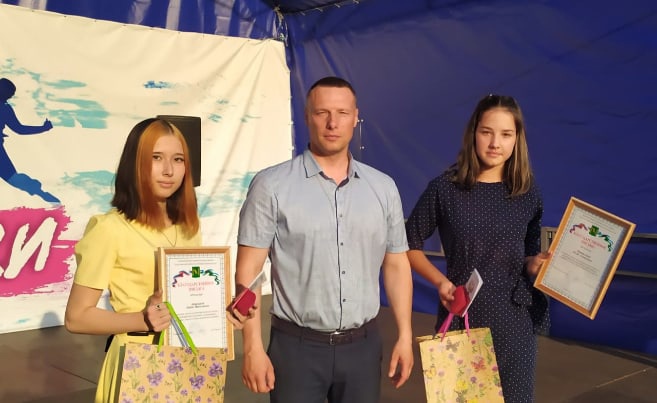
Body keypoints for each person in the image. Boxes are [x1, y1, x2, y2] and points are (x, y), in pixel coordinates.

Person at [229, 76, 414, 403]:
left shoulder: (383, 188)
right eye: (322, 112)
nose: (332, 123)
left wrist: (405, 335)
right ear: (307, 116)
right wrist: (253, 348)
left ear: (355, 117)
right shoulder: (271, 186)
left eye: (342, 113)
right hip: (296, 350)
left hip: (363, 348)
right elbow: (249, 272)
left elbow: (397, 264)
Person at [405, 94, 551, 403]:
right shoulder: (445, 188)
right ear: (473, 133)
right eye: (487, 132)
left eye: (506, 134)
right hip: (464, 320)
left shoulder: (527, 192)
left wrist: (535, 264)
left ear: (517, 139)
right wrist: (440, 283)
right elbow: (408, 244)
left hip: (515, 324)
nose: (495, 143)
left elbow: (529, 254)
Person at [64, 118, 201, 403]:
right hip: (136, 363)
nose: (168, 170)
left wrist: (224, 313)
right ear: (135, 164)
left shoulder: (190, 227)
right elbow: (77, 317)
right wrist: (142, 319)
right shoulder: (109, 228)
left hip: (187, 361)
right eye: (156, 158)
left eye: (178, 159)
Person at [0, 77, 59, 203]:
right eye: (10, 95)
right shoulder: (4, 108)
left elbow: (19, 129)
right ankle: (41, 193)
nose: (10, 98)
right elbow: (19, 129)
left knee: (13, 177)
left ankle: (40, 193)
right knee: (13, 178)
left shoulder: (4, 108)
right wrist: (44, 128)